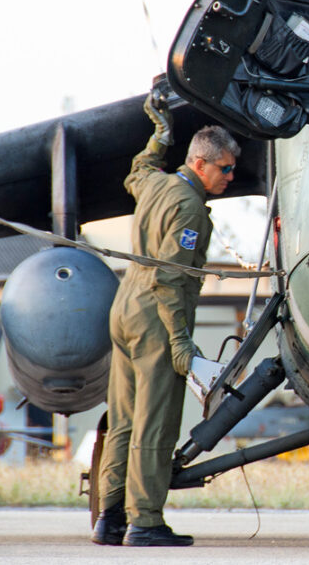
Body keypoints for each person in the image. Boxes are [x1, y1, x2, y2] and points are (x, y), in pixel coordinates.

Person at [92, 93, 240, 547]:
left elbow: (137, 171)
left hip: (124, 309)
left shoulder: (157, 185)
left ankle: (109, 518)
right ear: (200, 163)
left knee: (123, 420)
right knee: (155, 423)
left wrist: (159, 137)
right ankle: (145, 522)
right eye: (224, 169)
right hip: (156, 317)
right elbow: (171, 278)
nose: (230, 177)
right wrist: (180, 341)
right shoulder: (189, 207)